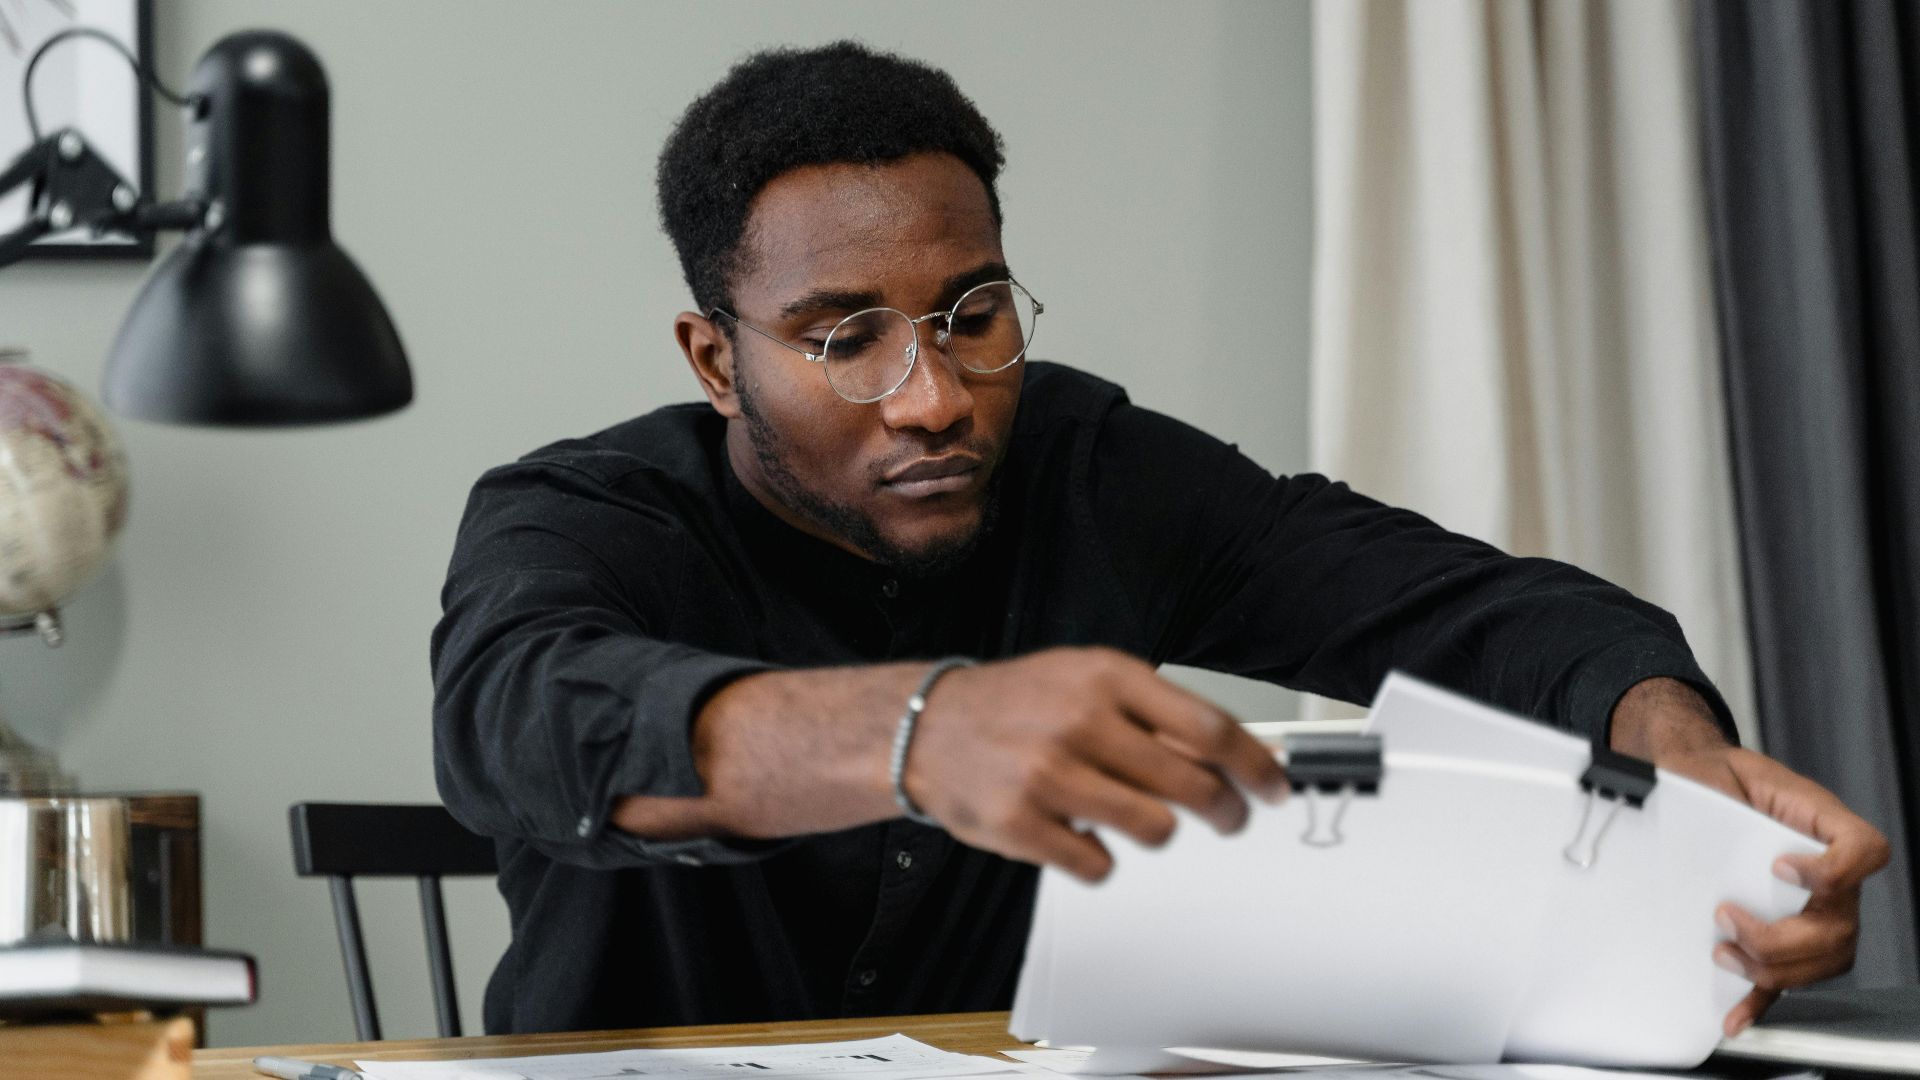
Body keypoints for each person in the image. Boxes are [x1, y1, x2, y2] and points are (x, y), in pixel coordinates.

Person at [431, 41, 1887, 1038]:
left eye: (970, 316)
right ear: (711, 357)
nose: (932, 398)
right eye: (841, 338)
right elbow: (518, 722)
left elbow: (1471, 611)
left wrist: (1679, 764)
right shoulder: (577, 517)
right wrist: (924, 733)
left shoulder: (1090, 468)